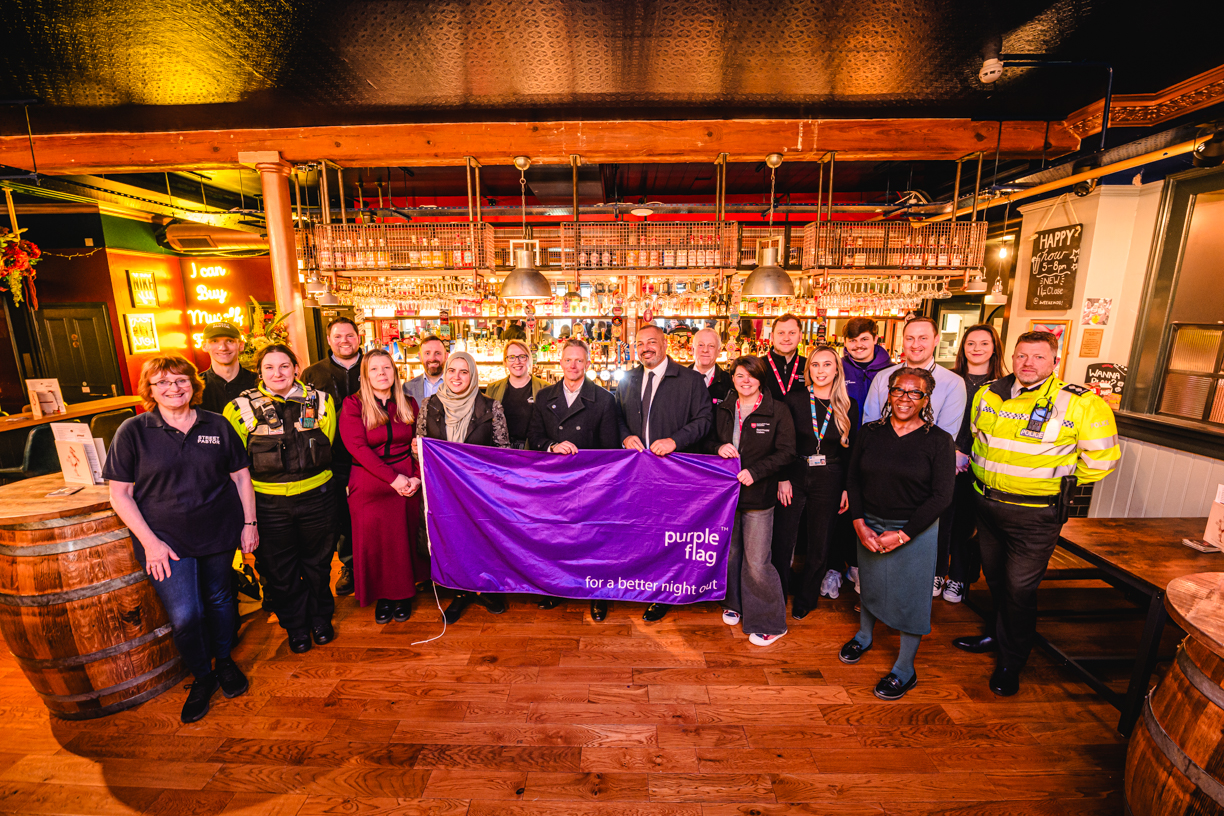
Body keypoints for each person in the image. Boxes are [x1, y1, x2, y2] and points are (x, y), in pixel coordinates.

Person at [953, 331, 1119, 696]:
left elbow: (1102, 459)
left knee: (1019, 588)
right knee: (995, 580)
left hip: (1036, 514)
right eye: (1022, 355)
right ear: (1012, 357)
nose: (1028, 363)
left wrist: (1051, 482)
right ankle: (996, 635)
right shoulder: (989, 393)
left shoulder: (1081, 403)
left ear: (1055, 362)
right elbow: (979, 438)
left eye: (1038, 357)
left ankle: (1012, 660)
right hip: (988, 505)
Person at [105, 355, 258, 723]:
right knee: (186, 614)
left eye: (180, 380)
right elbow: (119, 494)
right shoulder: (133, 431)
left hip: (218, 530)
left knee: (220, 599)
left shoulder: (216, 424)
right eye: (162, 382)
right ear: (150, 390)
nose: (173, 388)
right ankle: (202, 677)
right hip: (165, 541)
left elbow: (241, 477)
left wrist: (249, 523)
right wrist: (150, 543)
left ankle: (224, 662)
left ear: (193, 384)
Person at [840, 367, 955, 700]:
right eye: (898, 390)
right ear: (889, 394)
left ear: (926, 399)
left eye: (915, 392)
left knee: (912, 598)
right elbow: (853, 479)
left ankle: (905, 669)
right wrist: (859, 523)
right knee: (870, 585)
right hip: (869, 524)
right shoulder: (870, 432)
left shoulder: (939, 441)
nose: (905, 398)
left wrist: (904, 535)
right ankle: (864, 637)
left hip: (915, 528)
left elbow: (942, 496)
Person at [224, 344, 338, 655]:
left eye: (284, 366)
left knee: (318, 565)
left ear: (296, 369)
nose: (278, 373)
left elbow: (328, 442)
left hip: (318, 497)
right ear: (259, 372)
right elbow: (235, 465)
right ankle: (296, 626)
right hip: (268, 504)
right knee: (280, 570)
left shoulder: (320, 401)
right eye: (270, 367)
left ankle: (320, 619)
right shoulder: (239, 408)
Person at [862, 316, 966, 599]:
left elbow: (945, 436)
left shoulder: (952, 382)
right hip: (882, 476)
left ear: (936, 341)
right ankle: (875, 596)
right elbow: (871, 424)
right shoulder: (884, 377)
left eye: (923, 338)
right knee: (877, 548)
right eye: (910, 338)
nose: (915, 344)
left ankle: (918, 589)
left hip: (922, 479)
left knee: (916, 551)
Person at [616, 323, 713, 622]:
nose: (645, 348)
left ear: (665, 344)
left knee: (668, 537)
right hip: (635, 475)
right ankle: (638, 586)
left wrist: (675, 441)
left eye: (651, 342)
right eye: (640, 343)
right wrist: (624, 436)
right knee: (638, 533)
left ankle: (664, 594)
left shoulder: (690, 380)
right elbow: (615, 416)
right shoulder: (628, 378)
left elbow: (704, 420)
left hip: (674, 474)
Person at [527, 337, 621, 619]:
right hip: (555, 481)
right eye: (568, 360)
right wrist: (552, 446)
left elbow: (609, 449)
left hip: (590, 482)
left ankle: (597, 593)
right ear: (560, 362)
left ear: (588, 363)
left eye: (579, 360)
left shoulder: (604, 399)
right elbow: (535, 437)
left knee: (593, 538)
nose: (573, 365)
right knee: (557, 536)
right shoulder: (544, 396)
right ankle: (557, 587)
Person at [415, 351, 511, 623]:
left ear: (473, 375)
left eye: (464, 371)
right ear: (445, 374)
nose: (456, 377)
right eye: (452, 370)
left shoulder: (491, 407)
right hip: (443, 490)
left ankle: (484, 588)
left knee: (480, 538)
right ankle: (460, 591)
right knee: (452, 538)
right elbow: (419, 447)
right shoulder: (429, 405)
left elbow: (502, 450)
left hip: (479, 490)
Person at [713, 355, 796, 646]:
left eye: (751, 375)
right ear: (732, 379)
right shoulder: (724, 407)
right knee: (732, 554)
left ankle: (770, 622)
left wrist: (756, 472)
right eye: (739, 376)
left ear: (761, 379)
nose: (745, 381)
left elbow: (787, 452)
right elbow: (708, 441)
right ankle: (734, 603)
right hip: (728, 496)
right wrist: (718, 446)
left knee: (757, 561)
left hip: (759, 496)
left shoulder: (778, 410)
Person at [338, 349, 425, 624]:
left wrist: (416, 477)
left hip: (407, 480)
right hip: (369, 481)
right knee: (374, 543)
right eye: (374, 369)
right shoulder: (353, 405)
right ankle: (383, 596)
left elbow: (419, 444)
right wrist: (394, 479)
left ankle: (403, 593)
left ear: (394, 372)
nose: (381, 373)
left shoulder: (409, 403)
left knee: (402, 541)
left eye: (386, 367)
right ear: (365, 375)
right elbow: (358, 448)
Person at [786, 346, 858, 618]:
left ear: (837, 369)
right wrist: (782, 477)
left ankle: (806, 598)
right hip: (795, 472)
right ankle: (779, 589)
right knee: (784, 537)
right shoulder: (794, 399)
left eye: (827, 364)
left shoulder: (848, 405)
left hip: (830, 476)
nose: (821, 370)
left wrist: (847, 487)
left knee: (820, 540)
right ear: (809, 370)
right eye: (815, 365)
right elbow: (783, 443)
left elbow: (851, 451)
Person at [941, 324, 1007, 605]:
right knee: (941, 520)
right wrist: (952, 452)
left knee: (968, 525)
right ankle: (937, 572)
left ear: (995, 348)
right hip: (946, 460)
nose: (977, 348)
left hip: (982, 466)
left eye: (984, 343)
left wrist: (969, 455)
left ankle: (959, 576)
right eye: (971, 343)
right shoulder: (949, 378)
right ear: (963, 347)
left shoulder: (1006, 386)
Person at [302, 317, 363, 598]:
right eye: (338, 336)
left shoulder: (374, 365)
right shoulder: (313, 374)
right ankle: (349, 566)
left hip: (372, 455)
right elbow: (307, 418)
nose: (344, 341)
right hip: (333, 457)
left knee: (372, 514)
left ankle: (375, 565)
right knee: (341, 516)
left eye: (349, 335)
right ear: (329, 340)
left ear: (359, 337)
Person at [761, 314, 809, 599]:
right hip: (766, 447)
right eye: (781, 333)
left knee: (789, 521)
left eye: (792, 333)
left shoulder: (810, 366)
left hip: (801, 447)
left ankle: (784, 573)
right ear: (772, 336)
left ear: (800, 336)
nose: (787, 337)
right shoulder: (759, 365)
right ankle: (763, 573)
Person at [485, 340, 548, 449]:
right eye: (512, 357)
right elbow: (486, 427)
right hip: (502, 453)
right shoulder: (493, 389)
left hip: (533, 452)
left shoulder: (545, 389)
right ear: (505, 362)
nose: (517, 362)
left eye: (522, 357)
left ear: (529, 359)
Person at [840, 317, 892, 422]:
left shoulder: (892, 371)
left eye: (864, 339)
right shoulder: (836, 368)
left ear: (875, 339)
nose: (859, 345)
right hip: (844, 430)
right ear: (845, 342)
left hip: (880, 430)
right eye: (852, 340)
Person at [198, 322, 258, 414]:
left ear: (241, 345)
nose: (223, 348)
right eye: (214, 341)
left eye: (230, 341)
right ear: (205, 346)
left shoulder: (259, 382)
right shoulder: (196, 386)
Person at [689, 327, 733, 403]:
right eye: (701, 345)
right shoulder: (679, 379)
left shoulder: (728, 382)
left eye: (711, 346)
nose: (705, 350)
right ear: (692, 349)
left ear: (719, 351)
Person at [404, 335, 448, 407]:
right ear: (420, 357)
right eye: (427, 353)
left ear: (446, 356)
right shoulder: (407, 388)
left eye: (437, 353)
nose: (432, 358)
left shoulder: (457, 386)